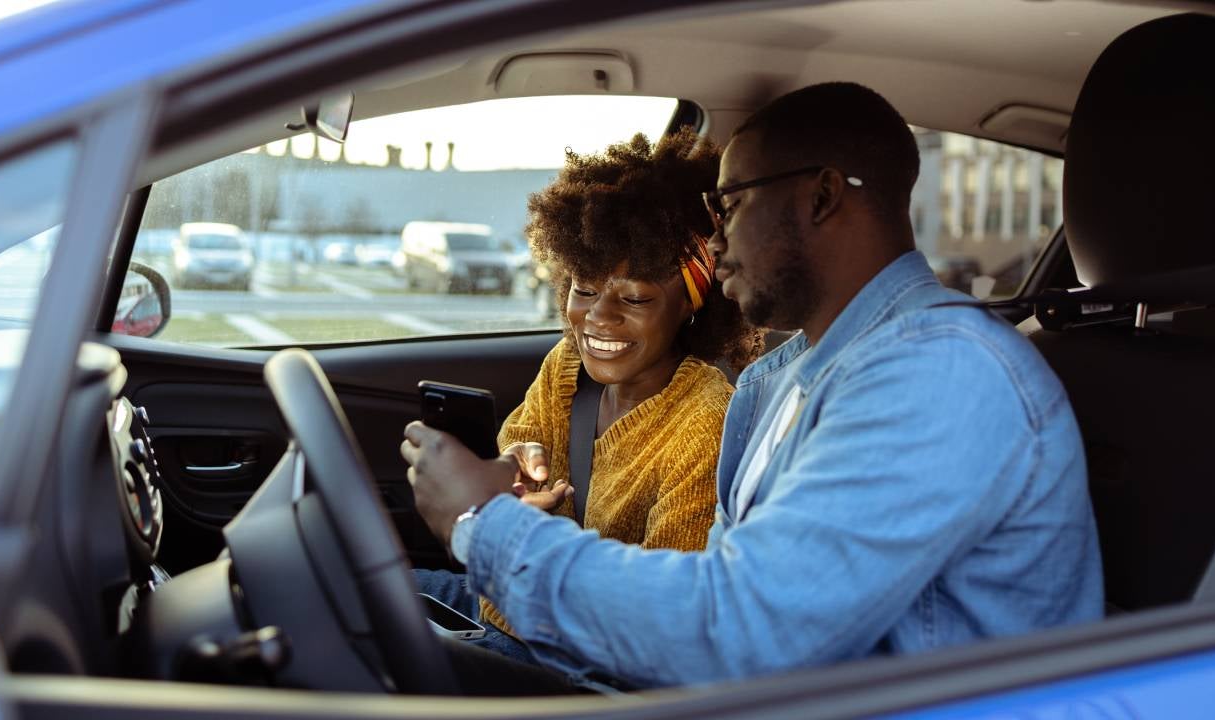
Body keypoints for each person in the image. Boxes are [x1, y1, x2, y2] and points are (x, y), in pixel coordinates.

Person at [401, 82, 1103, 689]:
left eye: (729, 205)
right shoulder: (791, 373)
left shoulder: (941, 370)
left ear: (821, 196)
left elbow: (743, 631)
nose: (716, 241)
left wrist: (485, 527)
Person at [415, 130, 761, 664]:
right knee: (341, 582)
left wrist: (508, 531)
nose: (599, 318)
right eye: (585, 288)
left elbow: (658, 633)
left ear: (693, 305)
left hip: (574, 661)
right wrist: (514, 475)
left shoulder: (704, 426)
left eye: (635, 297)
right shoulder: (567, 368)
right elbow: (517, 450)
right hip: (499, 605)